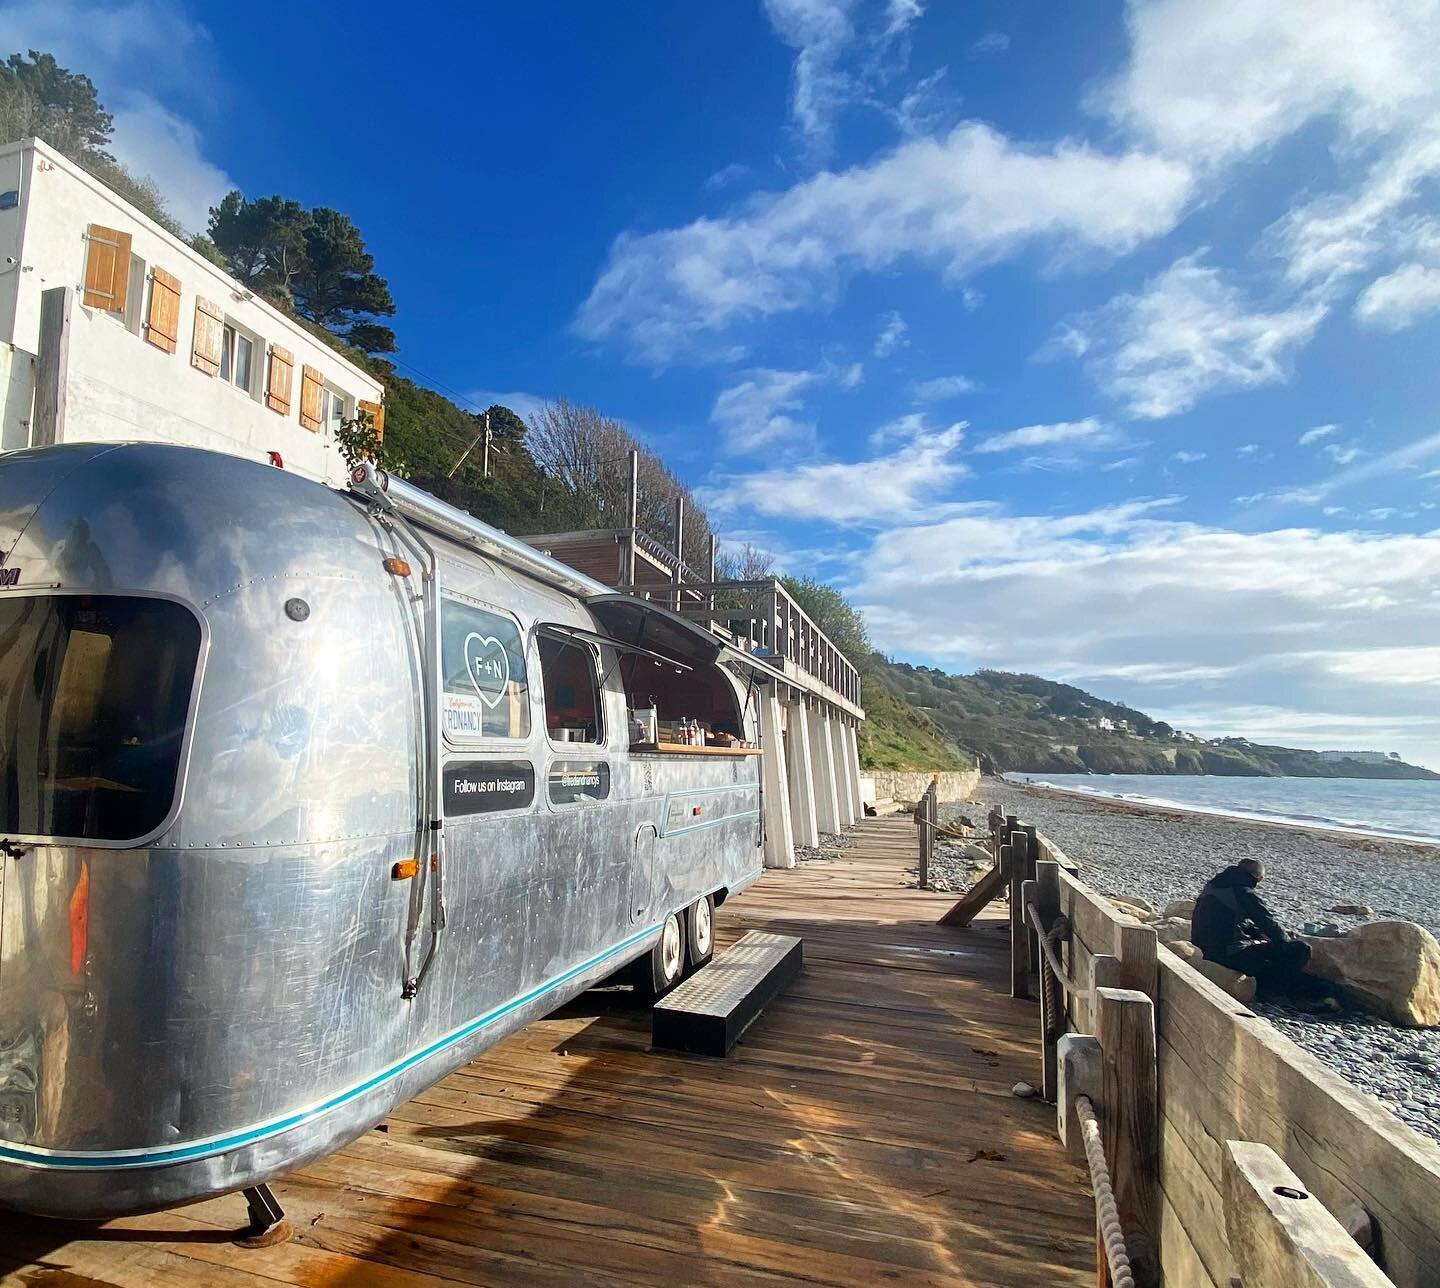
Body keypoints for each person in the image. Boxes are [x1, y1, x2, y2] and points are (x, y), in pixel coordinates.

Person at [1191, 858, 1333, 1007]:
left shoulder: (1214, 885)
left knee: (1265, 950)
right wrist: (1285, 942)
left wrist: (1256, 935)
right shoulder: (1244, 892)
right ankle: (1273, 992)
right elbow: (1268, 922)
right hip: (1226, 954)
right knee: (1301, 949)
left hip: (1201, 947)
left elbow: (1229, 920)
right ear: (1260, 878)